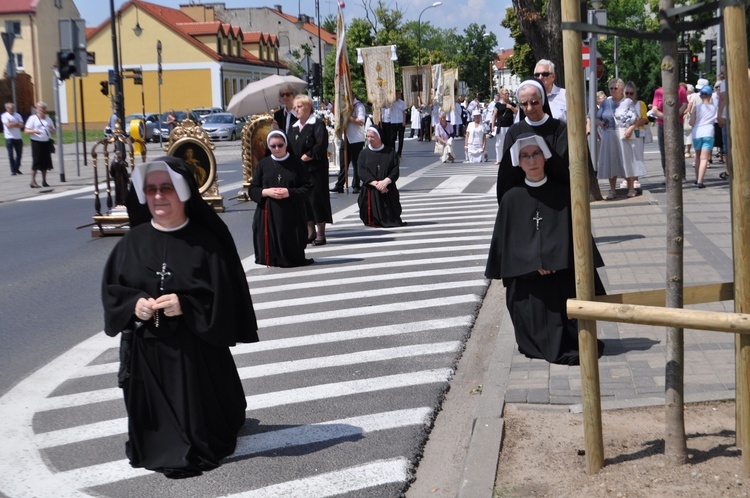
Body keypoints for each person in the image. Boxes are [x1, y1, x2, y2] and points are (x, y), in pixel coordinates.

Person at [101, 155, 258, 479]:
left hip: (195, 356)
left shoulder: (207, 243)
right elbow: (113, 291)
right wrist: (135, 305)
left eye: (167, 188)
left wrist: (186, 304)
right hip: (148, 358)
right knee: (154, 440)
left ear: (184, 192)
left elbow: (225, 300)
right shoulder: (131, 243)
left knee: (201, 435)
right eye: (152, 189)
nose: (158, 196)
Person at [485, 133, 605, 365]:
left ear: (546, 157)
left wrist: (553, 263)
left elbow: (573, 238)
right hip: (528, 279)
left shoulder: (564, 194)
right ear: (518, 162)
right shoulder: (511, 199)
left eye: (536, 154)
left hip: (561, 276)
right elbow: (508, 246)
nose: (531, 161)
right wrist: (534, 265)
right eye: (525, 156)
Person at [496, 78, 569, 204]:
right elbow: (509, 172)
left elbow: (560, 166)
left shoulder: (559, 128)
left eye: (534, 102)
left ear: (542, 101)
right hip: (523, 198)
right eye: (524, 104)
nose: (529, 108)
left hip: (554, 196)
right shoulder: (514, 132)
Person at [250, 130, 314, 266]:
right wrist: (266, 192)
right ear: (268, 147)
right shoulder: (263, 164)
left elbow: (308, 187)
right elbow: (252, 189)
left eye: (280, 145)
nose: (277, 149)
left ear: (286, 144)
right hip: (270, 211)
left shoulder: (297, 163)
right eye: (273, 146)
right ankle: (273, 258)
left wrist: (289, 192)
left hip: (293, 210)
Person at [287, 94, 331, 246]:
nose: (296, 110)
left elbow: (320, 145)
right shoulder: (293, 127)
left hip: (315, 168)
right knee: (304, 200)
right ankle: (310, 231)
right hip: (299, 169)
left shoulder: (317, 124)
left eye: (299, 106)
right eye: (294, 107)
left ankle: (321, 233)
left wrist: (307, 156)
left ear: (308, 107)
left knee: (317, 199)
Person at [596, 78, 645, 199]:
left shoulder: (627, 102)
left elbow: (636, 119)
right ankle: (612, 190)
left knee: (627, 160)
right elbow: (597, 118)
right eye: (611, 88)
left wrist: (631, 129)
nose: (613, 90)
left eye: (615, 88)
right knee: (610, 162)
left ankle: (631, 188)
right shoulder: (605, 103)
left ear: (621, 90)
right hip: (608, 134)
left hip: (623, 133)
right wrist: (601, 124)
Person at [357, 127, 405, 227]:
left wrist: (385, 182)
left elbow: (395, 170)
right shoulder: (363, 154)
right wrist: (376, 184)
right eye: (368, 136)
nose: (369, 139)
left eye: (372, 137)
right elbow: (361, 171)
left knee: (392, 215)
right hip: (371, 189)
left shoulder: (390, 152)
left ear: (379, 137)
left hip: (387, 188)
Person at [651, 84, 688, 179]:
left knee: (678, 149)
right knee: (663, 150)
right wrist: (666, 118)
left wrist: (674, 117)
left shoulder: (681, 90)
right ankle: (666, 175)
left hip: (677, 123)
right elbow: (654, 109)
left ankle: (681, 175)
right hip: (661, 123)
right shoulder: (658, 91)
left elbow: (684, 104)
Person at [331, 96, 365, 193]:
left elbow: (361, 122)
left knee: (356, 163)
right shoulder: (344, 106)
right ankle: (340, 184)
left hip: (356, 139)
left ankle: (356, 185)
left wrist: (348, 116)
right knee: (343, 163)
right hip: (345, 138)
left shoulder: (358, 106)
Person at [619, 81, 649, 191]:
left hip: (637, 133)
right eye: (627, 93)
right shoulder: (620, 104)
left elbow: (645, 118)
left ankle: (635, 178)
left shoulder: (640, 104)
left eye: (631, 93)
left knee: (637, 156)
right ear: (623, 93)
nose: (629, 96)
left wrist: (634, 124)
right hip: (624, 133)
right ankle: (625, 179)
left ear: (635, 93)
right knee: (624, 156)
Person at [689, 85, 717, 188]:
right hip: (708, 132)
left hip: (697, 133)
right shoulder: (714, 108)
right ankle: (700, 181)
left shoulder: (696, 108)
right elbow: (717, 120)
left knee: (697, 157)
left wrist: (693, 122)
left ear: (700, 96)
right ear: (710, 96)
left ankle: (697, 179)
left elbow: (691, 122)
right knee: (704, 158)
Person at [24, 101, 55, 188]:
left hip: (46, 142)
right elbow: (26, 130)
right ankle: (33, 181)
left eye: (43, 108)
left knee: (45, 162)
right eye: (40, 108)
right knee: (36, 161)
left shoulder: (48, 119)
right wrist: (34, 131)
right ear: (37, 109)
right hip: (36, 142)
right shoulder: (32, 118)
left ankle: (44, 181)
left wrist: (51, 128)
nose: (42, 110)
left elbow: (54, 132)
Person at [491, 89, 517, 165]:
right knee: (499, 143)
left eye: (508, 93)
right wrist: (493, 126)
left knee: (510, 143)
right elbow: (495, 115)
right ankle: (499, 159)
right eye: (505, 94)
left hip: (510, 126)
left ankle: (511, 158)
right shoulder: (498, 105)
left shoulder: (512, 104)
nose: (507, 95)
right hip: (501, 126)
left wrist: (511, 107)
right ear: (502, 95)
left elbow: (517, 112)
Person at [2, 102, 24, 175]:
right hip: (9, 137)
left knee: (19, 154)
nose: (12, 110)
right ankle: (13, 170)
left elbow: (22, 125)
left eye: (13, 109)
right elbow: (8, 125)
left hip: (18, 137)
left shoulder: (18, 115)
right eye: (10, 109)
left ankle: (16, 168)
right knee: (11, 155)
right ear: (7, 109)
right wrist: (16, 123)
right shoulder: (4, 116)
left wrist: (14, 124)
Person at [389, 90, 407, 156]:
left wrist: (404, 121)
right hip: (393, 122)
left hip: (400, 122)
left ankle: (399, 152)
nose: (398, 96)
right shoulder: (391, 103)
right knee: (392, 138)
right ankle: (393, 151)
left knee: (401, 138)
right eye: (397, 94)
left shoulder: (402, 103)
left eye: (399, 94)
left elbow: (404, 112)